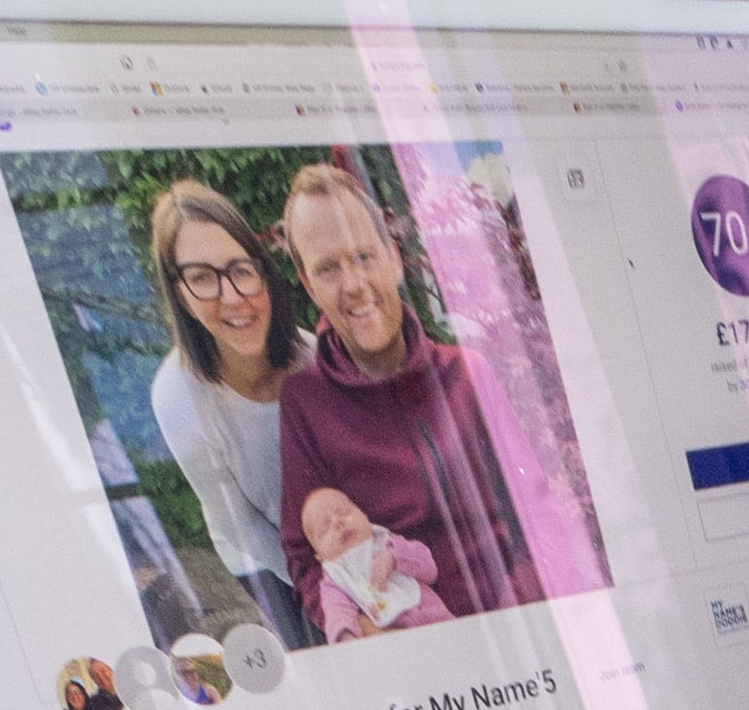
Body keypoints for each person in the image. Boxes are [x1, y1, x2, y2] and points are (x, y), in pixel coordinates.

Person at [272, 162, 568, 624]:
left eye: (364, 257)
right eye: (328, 269)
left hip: (513, 626)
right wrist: (364, 629)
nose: (354, 285)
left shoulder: (468, 373)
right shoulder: (305, 403)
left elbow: (539, 515)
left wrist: (518, 615)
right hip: (406, 640)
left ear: (393, 257)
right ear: (308, 285)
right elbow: (306, 561)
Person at [139, 179, 308, 645]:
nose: (232, 297)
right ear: (180, 293)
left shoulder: (311, 358)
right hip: (266, 561)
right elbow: (244, 524)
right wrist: (328, 587)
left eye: (240, 269)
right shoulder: (178, 395)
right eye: (202, 278)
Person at [296, 485, 445, 639]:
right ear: (319, 556)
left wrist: (394, 558)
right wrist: (345, 635)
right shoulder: (335, 580)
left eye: (344, 512)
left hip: (440, 622)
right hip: (394, 641)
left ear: (364, 516)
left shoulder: (388, 543)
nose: (337, 522)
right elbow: (336, 612)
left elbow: (429, 570)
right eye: (324, 528)